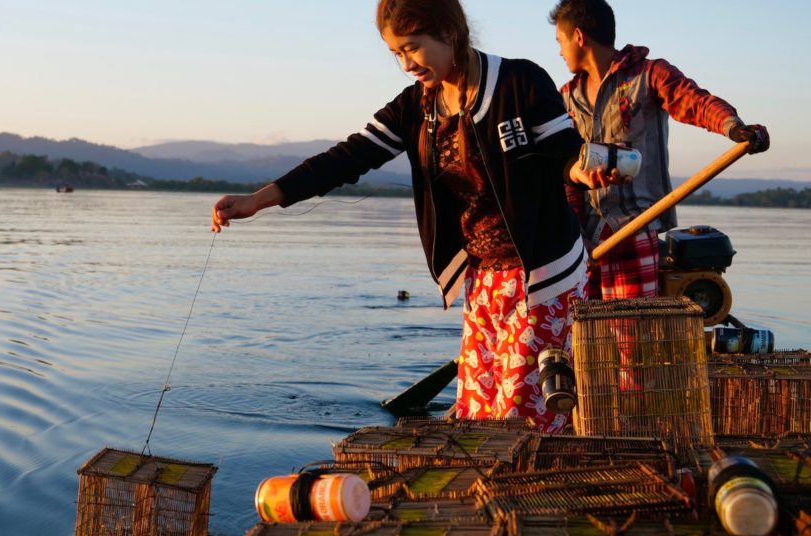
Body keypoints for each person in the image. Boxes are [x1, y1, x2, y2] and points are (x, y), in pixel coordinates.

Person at [211, 0, 588, 431]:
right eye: (396, 54)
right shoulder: (416, 108)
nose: (406, 63)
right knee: (480, 414)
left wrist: (585, 169)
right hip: (482, 279)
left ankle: (528, 492)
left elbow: (565, 157)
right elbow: (346, 157)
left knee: (524, 416)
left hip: (544, 276)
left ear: (449, 32)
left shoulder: (519, 82)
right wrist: (259, 199)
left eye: (412, 48)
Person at [549, 0, 770, 302]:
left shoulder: (648, 75)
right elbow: (565, 172)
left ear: (578, 36)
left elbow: (695, 101)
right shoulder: (566, 98)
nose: (559, 51)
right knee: (583, 343)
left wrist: (734, 127)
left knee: (633, 342)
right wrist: (577, 237)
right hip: (586, 243)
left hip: (635, 230)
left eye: (560, 41)